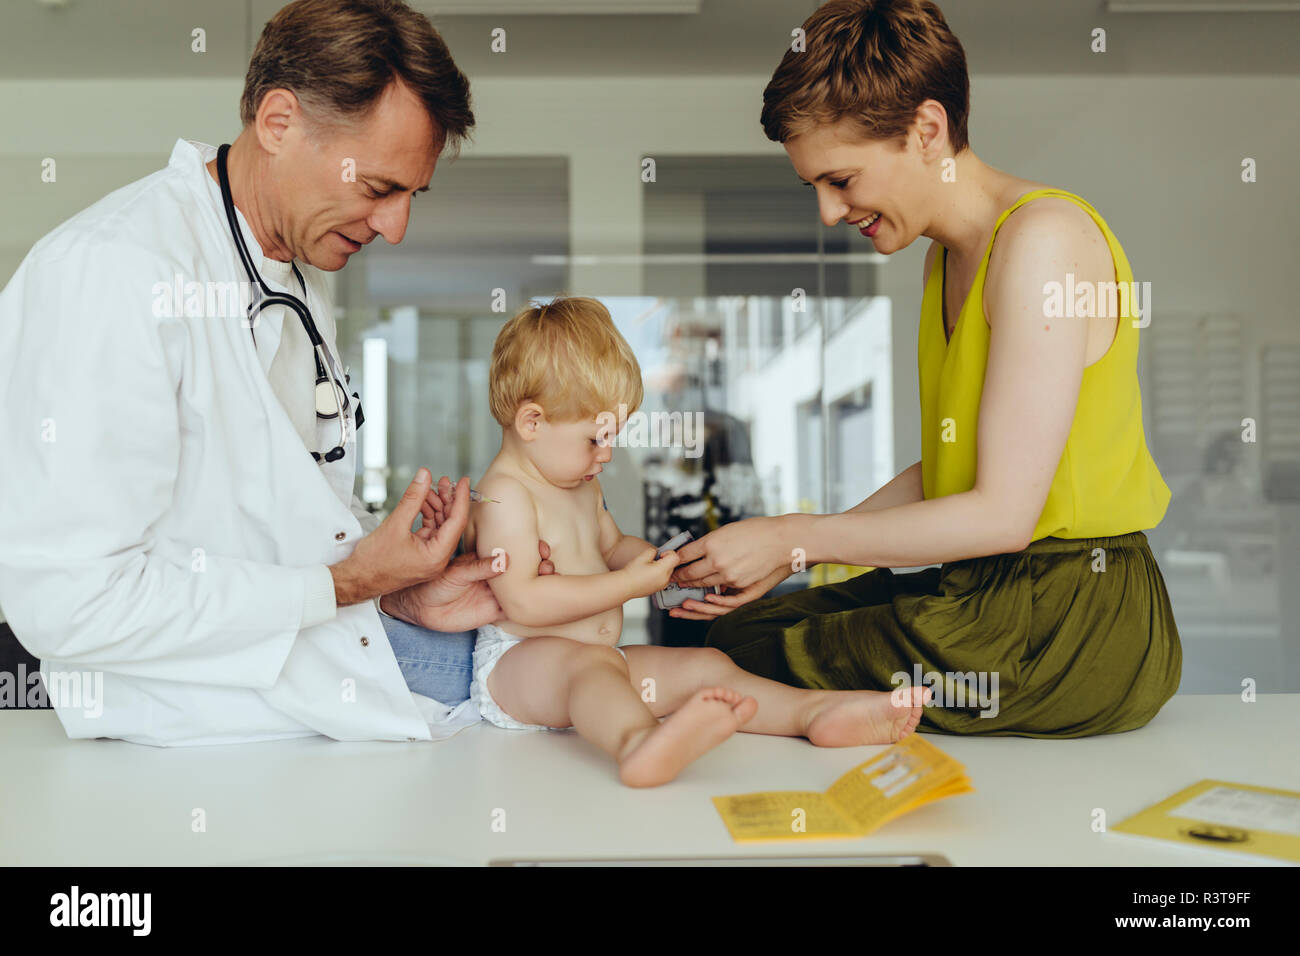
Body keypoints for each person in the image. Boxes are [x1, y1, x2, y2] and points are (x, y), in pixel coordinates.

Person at [0, 0, 549, 745]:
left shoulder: (288, 273)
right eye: (379, 188)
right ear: (279, 122)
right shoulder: (112, 272)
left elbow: (274, 531)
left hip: (311, 708)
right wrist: (351, 584)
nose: (396, 228)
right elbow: (74, 605)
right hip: (190, 759)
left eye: (411, 196)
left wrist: (395, 595)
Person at [669, 0, 1183, 738]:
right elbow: (955, 470)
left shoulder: (1043, 241)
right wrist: (789, 551)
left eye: (841, 179)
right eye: (814, 186)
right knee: (749, 627)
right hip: (987, 591)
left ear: (928, 130)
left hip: (1075, 620)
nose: (828, 212)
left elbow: (1004, 515)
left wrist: (798, 538)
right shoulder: (944, 260)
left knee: (743, 652)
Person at [462, 297, 930, 787]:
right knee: (592, 670)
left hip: (599, 662)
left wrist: (658, 563)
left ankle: (814, 713)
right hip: (519, 665)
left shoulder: (580, 484)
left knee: (707, 665)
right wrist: (627, 584)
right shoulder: (505, 495)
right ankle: (638, 743)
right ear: (532, 423)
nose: (607, 454)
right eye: (594, 439)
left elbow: (612, 544)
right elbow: (524, 600)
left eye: (612, 437)